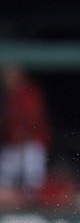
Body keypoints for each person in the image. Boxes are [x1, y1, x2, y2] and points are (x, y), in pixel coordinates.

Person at [0, 65, 51, 196]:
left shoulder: (29, 92)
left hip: (32, 142)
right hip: (13, 143)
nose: (6, 79)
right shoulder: (10, 95)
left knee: (33, 181)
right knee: (5, 178)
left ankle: (35, 207)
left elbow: (33, 118)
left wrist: (23, 133)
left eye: (8, 75)